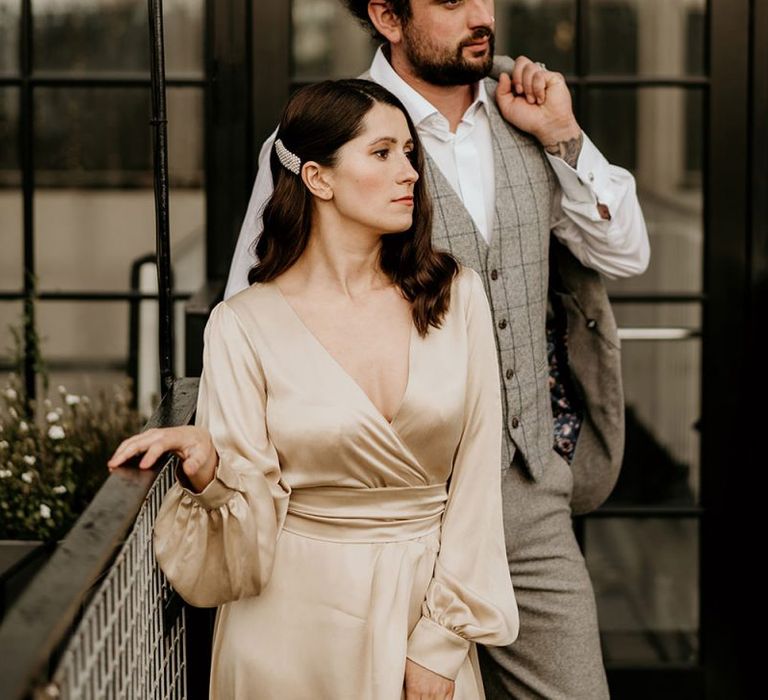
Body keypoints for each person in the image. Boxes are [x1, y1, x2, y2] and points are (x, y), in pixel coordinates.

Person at [224, 2, 651, 698]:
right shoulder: (325, 134)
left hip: (525, 492)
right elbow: (255, 296)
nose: (480, 14)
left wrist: (565, 136)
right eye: (451, 1)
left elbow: (627, 253)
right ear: (388, 15)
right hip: (383, 505)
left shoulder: (532, 116)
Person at [109, 78, 519, 699]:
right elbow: (249, 519)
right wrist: (211, 469)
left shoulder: (454, 294)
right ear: (318, 178)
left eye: (410, 152)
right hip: (286, 629)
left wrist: (441, 643)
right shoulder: (243, 324)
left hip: (423, 613)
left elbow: (478, 489)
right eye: (382, 154)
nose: (410, 171)